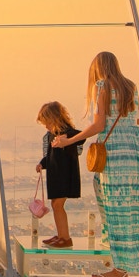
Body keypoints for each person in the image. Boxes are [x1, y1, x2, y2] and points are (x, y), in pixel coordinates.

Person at [52, 52, 139, 277]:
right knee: (129, 207)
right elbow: (135, 120)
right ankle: (121, 263)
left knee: (114, 207)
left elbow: (98, 124)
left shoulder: (101, 85)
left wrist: (68, 141)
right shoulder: (130, 86)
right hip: (134, 149)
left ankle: (120, 271)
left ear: (97, 68)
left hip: (114, 151)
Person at [35, 101, 81, 248]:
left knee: (57, 205)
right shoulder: (51, 136)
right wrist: (42, 163)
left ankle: (65, 238)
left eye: (47, 123)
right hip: (56, 175)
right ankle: (61, 236)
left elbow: (80, 136)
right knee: (56, 205)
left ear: (54, 119)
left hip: (65, 175)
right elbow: (50, 155)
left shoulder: (67, 132)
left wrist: (67, 139)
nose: (46, 127)